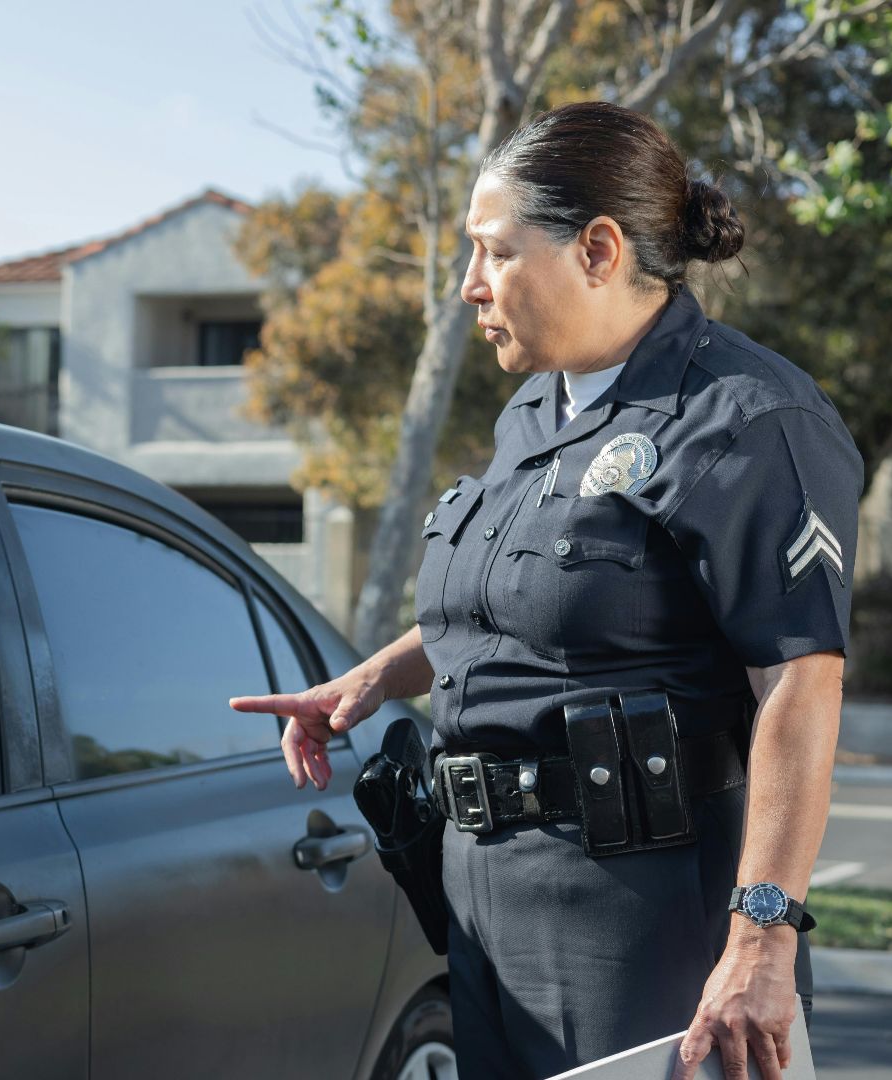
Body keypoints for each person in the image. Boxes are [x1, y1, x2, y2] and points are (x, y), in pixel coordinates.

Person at [231, 101, 858, 1080]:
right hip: (483, 900)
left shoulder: (748, 418)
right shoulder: (535, 409)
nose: (469, 287)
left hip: (641, 915)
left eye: (495, 253)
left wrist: (762, 940)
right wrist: (372, 678)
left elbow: (799, 684)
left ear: (599, 249)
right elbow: (512, 609)